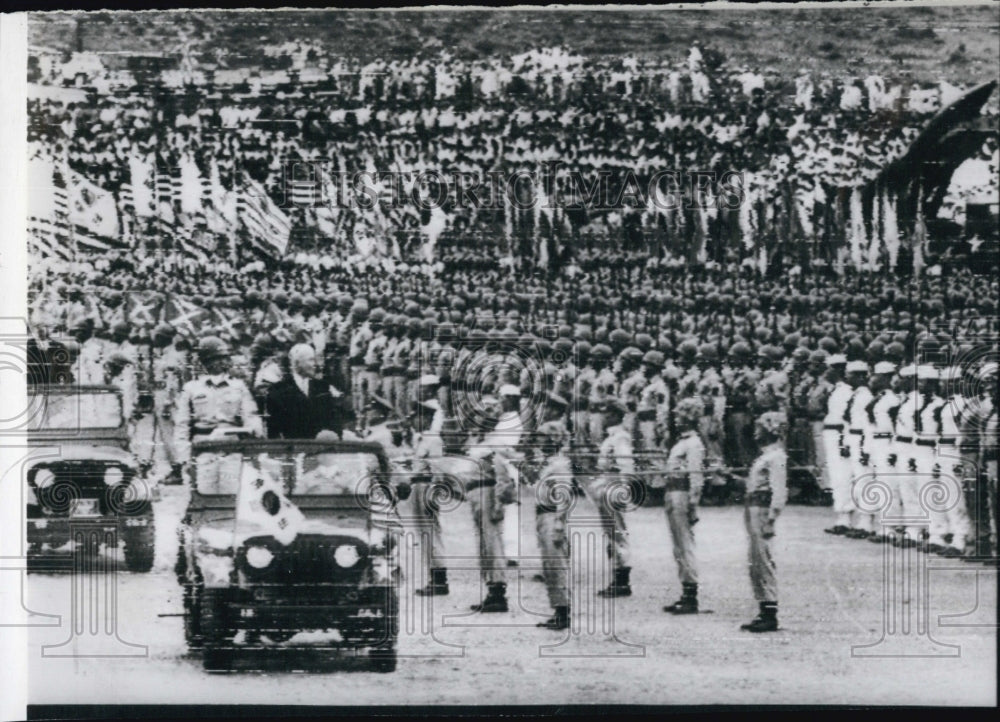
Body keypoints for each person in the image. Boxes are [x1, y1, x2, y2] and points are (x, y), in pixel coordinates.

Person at [174, 336, 262, 490]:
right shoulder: (191, 388)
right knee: (203, 493)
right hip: (202, 448)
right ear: (205, 361)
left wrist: (255, 429)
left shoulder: (238, 387)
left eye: (224, 358)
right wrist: (184, 457)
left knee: (231, 494)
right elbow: (182, 424)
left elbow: (250, 415)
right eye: (216, 358)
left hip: (231, 448)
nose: (221, 363)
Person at [741, 411, 788, 633]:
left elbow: (779, 491)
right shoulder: (765, 456)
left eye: (760, 427)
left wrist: (772, 518)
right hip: (753, 506)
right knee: (755, 560)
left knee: (764, 559)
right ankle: (763, 608)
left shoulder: (776, 456)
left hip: (762, 510)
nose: (755, 431)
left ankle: (770, 611)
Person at [663, 397, 706, 615]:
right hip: (672, 491)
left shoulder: (694, 444)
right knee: (678, 545)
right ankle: (685, 592)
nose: (676, 419)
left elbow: (696, 477)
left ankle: (691, 595)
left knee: (685, 544)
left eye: (680, 415)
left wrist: (693, 504)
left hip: (682, 493)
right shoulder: (682, 442)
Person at [589, 399, 635, 598]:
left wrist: (622, 488)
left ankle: (622, 580)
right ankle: (617, 577)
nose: (605, 417)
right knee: (611, 532)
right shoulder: (612, 437)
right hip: (607, 484)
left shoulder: (620, 437)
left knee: (617, 533)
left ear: (617, 415)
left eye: (608, 414)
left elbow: (625, 464)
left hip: (613, 486)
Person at [533, 419, 574, 630]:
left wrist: (560, 523)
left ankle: (563, 611)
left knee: (556, 564)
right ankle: (557, 608)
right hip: (542, 515)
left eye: (543, 437)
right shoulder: (548, 463)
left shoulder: (559, 464)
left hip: (551, 516)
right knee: (549, 565)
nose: (539, 441)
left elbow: (564, 496)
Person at [265, 343, 354, 440]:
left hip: (324, 448)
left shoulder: (323, 387)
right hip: (294, 449)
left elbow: (334, 420)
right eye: (311, 360)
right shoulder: (278, 391)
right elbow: (274, 433)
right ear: (297, 363)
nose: (315, 364)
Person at [408, 397, 450, 596]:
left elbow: (438, 469)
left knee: (431, 532)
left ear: (426, 418)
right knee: (424, 533)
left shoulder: (433, 439)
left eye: (417, 416)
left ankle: (440, 578)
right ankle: (434, 576)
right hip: (417, 485)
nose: (414, 419)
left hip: (427, 486)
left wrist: (434, 493)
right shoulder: (421, 438)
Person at [822, 354, 853, 535]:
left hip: (838, 434)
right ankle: (842, 516)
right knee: (836, 476)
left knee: (842, 477)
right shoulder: (836, 390)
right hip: (831, 434)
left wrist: (844, 439)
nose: (826, 372)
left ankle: (845, 518)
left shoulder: (845, 391)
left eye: (830, 368)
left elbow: (846, 420)